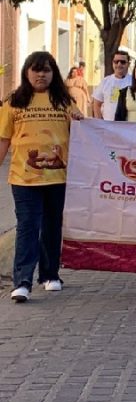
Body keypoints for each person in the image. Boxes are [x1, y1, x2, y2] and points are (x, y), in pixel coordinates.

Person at [0, 52, 83, 302]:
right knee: (27, 226)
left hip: (58, 176)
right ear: (27, 72)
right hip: (23, 178)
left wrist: (80, 121)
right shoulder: (14, 101)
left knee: (51, 225)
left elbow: (80, 129)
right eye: (35, 70)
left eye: (46, 70)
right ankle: (22, 281)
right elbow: (4, 138)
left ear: (53, 73)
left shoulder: (63, 100)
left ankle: (50, 275)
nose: (40, 75)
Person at [92, 50, 132, 120]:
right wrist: (100, 122)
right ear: (112, 63)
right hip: (108, 126)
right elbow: (96, 104)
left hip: (127, 126)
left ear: (128, 64)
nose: (119, 64)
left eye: (122, 62)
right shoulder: (105, 81)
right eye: (116, 62)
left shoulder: (133, 82)